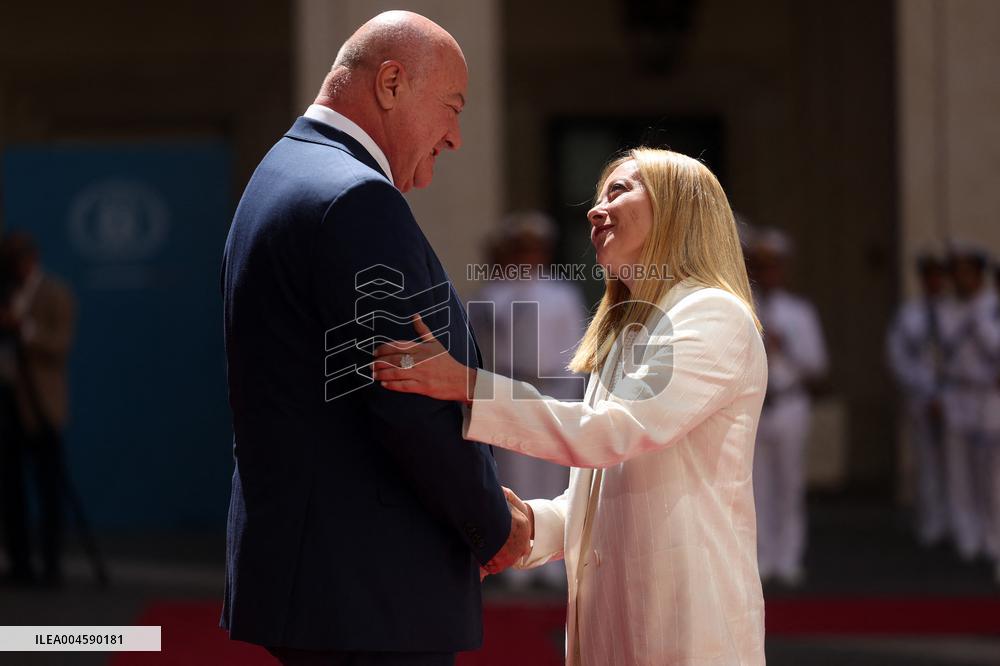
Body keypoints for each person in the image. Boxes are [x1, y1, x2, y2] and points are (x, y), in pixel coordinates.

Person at [375, 148, 767, 665]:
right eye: (599, 193)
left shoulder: (712, 315)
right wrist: (531, 529)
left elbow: (610, 432)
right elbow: (604, 491)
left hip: (686, 632)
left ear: (677, 207)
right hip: (617, 629)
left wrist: (467, 383)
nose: (593, 210)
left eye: (619, 190)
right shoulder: (632, 332)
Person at [220, 11, 529, 666]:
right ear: (390, 83)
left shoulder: (283, 172)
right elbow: (405, 398)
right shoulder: (357, 200)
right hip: (366, 592)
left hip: (325, 577)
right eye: (451, 108)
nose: (456, 137)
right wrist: (489, 525)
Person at [469, 211, 585, 590]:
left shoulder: (563, 292)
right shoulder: (496, 292)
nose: (530, 256)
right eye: (522, 249)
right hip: (511, 390)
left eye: (536, 249)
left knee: (552, 474)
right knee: (514, 476)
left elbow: (576, 346)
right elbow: (485, 334)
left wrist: (574, 394)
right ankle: (516, 558)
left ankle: (551, 562)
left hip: (553, 389)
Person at [746, 227, 827, 586]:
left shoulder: (800, 312)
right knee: (755, 486)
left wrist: (785, 343)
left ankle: (789, 557)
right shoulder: (744, 307)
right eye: (761, 267)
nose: (768, 274)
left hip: (790, 401)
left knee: (789, 484)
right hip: (756, 406)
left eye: (774, 266)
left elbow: (817, 365)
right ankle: (762, 558)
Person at [0, 232, 76, 585]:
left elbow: (59, 344)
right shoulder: (5, 294)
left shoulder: (55, 293)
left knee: (47, 488)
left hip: (42, 405)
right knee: (11, 491)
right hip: (8, 405)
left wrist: (24, 329)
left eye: (19, 257)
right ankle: (19, 564)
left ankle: (50, 565)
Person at [939, 240, 1000, 564]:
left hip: (988, 394)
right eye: (957, 272)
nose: (961, 278)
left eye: (967, 272)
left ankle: (993, 540)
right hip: (957, 391)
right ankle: (967, 539)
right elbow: (945, 347)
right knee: (958, 468)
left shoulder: (991, 305)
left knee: (990, 474)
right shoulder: (947, 307)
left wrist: (982, 322)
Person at [886, 249, 951, 546]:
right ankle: (930, 523)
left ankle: (959, 524)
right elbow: (898, 357)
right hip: (922, 398)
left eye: (939, 275)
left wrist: (946, 393)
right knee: (926, 462)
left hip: (957, 397)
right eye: (929, 275)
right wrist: (925, 391)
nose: (934, 281)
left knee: (958, 462)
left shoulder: (956, 312)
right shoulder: (910, 314)